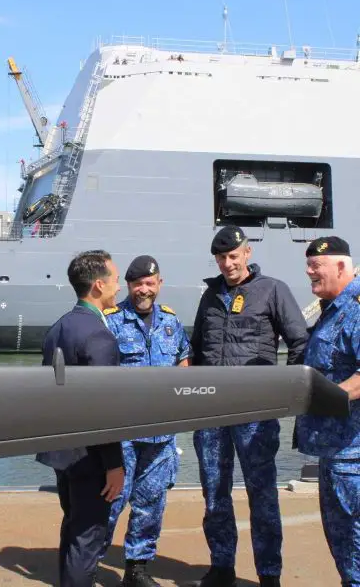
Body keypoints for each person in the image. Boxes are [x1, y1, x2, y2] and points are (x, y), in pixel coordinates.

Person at [189, 225, 308, 587]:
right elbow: (196, 350)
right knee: (214, 493)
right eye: (221, 258)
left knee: (263, 495)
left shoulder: (272, 290)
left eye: (233, 256)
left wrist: (285, 393)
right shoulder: (210, 297)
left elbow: (299, 343)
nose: (228, 264)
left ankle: (269, 574)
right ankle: (222, 566)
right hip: (211, 412)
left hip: (256, 413)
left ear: (247, 253)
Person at [100, 255, 191, 587]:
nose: (144, 289)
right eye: (138, 284)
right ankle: (88, 562)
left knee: (150, 504)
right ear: (128, 286)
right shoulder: (112, 321)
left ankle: (136, 569)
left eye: (150, 283)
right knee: (110, 501)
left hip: (161, 434)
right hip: (123, 432)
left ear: (159, 284)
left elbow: (183, 358)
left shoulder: (171, 321)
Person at [37, 249, 126, 587]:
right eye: (115, 279)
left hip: (62, 451)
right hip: (90, 457)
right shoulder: (99, 335)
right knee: (88, 537)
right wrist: (114, 464)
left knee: (73, 527)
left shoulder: (57, 328)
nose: (119, 286)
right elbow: (104, 407)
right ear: (99, 285)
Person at [294, 236, 360, 586]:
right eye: (308, 265)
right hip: (334, 451)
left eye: (316, 265)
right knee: (342, 541)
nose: (309, 272)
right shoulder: (331, 311)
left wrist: (322, 397)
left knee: (354, 539)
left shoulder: (357, 310)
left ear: (341, 266)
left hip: (353, 455)